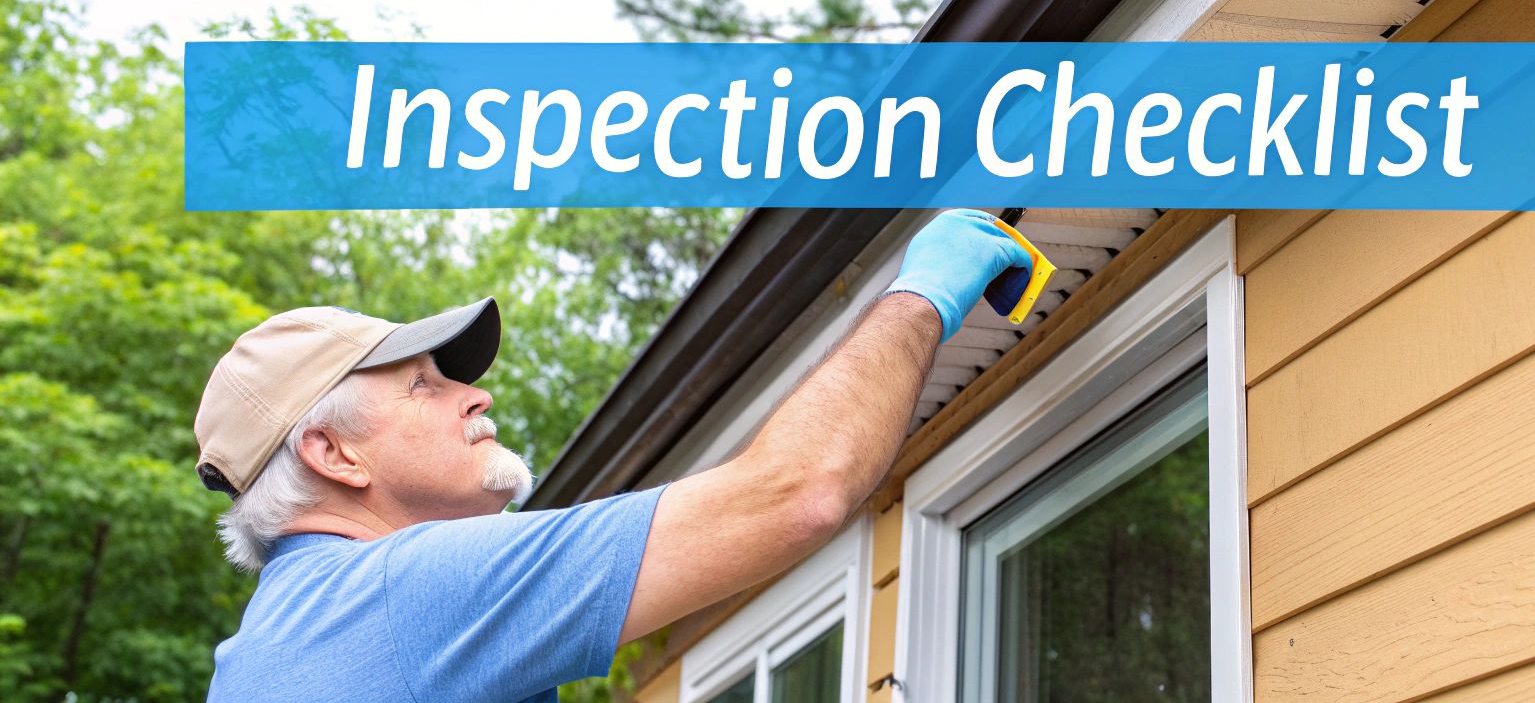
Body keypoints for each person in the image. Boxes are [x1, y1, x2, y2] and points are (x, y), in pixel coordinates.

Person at [197, 209, 1032, 702]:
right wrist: (922, 293)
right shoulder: (397, 595)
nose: (476, 395)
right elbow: (797, 492)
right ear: (332, 454)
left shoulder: (274, 647)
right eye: (423, 385)